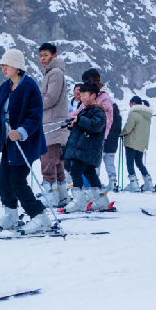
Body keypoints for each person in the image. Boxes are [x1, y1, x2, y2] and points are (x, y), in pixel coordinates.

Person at [0, 48, 53, 234]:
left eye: (6, 65)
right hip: (8, 144)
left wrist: (22, 131)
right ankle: (11, 214)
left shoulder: (30, 87)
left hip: (25, 144)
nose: (3, 69)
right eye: (2, 65)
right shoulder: (4, 87)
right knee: (2, 183)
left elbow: (35, 115)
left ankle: (40, 217)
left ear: (17, 66)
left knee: (17, 181)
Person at [62, 82, 107, 212]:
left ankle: (79, 201)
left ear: (93, 95)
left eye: (84, 94)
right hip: (83, 149)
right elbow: (85, 129)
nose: (81, 97)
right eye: (80, 95)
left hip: (87, 150)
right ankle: (102, 200)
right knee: (90, 173)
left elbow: (96, 126)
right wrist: (74, 125)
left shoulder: (98, 111)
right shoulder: (85, 111)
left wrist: (79, 120)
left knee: (76, 172)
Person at [37, 43, 70, 207]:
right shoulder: (50, 73)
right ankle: (61, 196)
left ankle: (50, 196)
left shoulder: (55, 73)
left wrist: (33, 106)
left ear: (54, 56)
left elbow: (51, 98)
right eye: (41, 55)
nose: (43, 58)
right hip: (52, 124)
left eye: (46, 55)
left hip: (52, 124)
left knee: (48, 161)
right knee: (56, 163)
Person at [119, 96, 153, 192]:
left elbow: (128, 128)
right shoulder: (147, 116)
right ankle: (149, 183)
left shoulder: (134, 114)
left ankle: (134, 184)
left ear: (133, 103)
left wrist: (121, 133)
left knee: (130, 163)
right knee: (139, 162)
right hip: (142, 143)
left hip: (132, 142)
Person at [101, 102, 122, 191]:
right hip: (113, 145)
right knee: (110, 165)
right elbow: (119, 131)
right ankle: (113, 182)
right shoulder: (118, 118)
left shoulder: (106, 117)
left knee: (97, 165)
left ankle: (95, 183)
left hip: (103, 143)